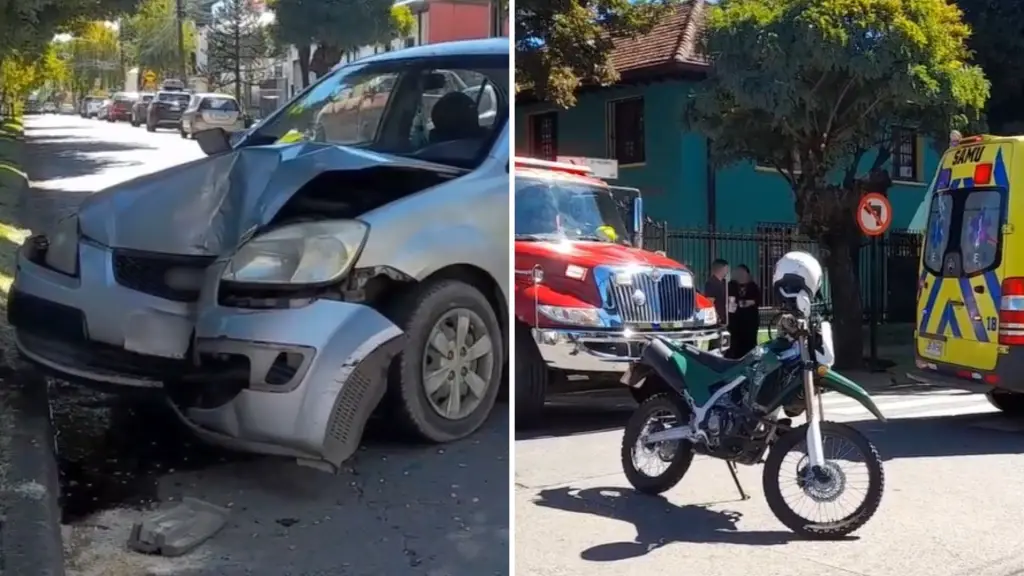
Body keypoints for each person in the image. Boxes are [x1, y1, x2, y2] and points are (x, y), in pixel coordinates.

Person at [727, 264, 761, 358]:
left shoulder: (753, 286)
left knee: (750, 342)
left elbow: (758, 300)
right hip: (735, 320)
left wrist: (750, 302)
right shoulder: (731, 285)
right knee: (735, 342)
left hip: (750, 319)